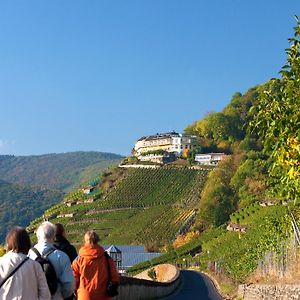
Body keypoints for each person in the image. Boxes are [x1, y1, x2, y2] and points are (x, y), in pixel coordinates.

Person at [0, 226, 51, 300]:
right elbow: (45, 295)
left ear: (8, 244)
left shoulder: (1, 263)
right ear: (27, 244)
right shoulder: (35, 266)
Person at [29, 221, 75, 300]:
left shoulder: (29, 255)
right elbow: (68, 283)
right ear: (54, 237)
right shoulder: (61, 256)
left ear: (38, 237)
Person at [72, 230, 120, 300]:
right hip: (104, 296)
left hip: (84, 296)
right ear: (97, 240)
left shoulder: (79, 259)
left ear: (85, 241)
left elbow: (73, 279)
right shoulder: (106, 258)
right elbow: (115, 277)